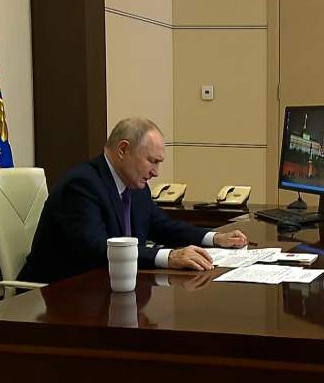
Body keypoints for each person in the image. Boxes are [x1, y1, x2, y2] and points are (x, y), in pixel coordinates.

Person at [18, 118, 249, 285]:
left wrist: (215, 238)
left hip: (106, 291)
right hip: (55, 298)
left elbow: (162, 226)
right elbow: (96, 249)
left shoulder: (135, 186)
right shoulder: (81, 185)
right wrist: (169, 257)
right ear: (123, 149)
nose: (156, 172)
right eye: (152, 161)